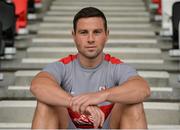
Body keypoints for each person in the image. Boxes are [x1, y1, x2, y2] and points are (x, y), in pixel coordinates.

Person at [30, 7, 151, 129]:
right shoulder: (63, 66)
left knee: (133, 104)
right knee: (45, 104)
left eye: (97, 32)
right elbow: (38, 86)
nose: (90, 39)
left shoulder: (116, 67)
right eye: (84, 32)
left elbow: (142, 89)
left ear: (107, 35)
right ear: (74, 36)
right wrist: (80, 104)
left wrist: (102, 95)